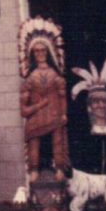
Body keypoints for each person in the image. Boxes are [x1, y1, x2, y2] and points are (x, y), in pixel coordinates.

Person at [21, 40, 69, 182]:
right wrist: (39, 106)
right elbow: (23, 110)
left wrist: (64, 113)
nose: (40, 53)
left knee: (58, 141)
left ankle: (59, 168)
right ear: (32, 54)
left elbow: (62, 96)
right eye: (37, 51)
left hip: (54, 114)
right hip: (36, 117)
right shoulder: (29, 79)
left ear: (48, 53)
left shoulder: (55, 75)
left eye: (43, 50)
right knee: (33, 142)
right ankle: (34, 169)